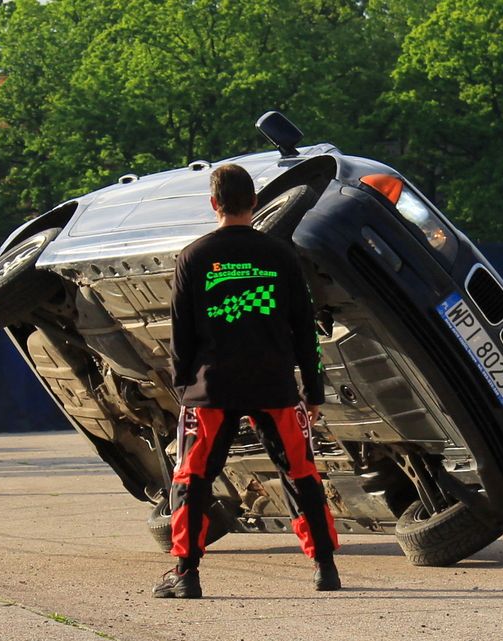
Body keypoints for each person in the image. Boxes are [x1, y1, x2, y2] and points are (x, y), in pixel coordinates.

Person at [158, 164, 340, 598]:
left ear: (213, 204)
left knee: (193, 478)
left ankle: (186, 576)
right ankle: (325, 569)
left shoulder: (194, 256)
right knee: (301, 474)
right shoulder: (281, 255)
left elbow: (179, 335)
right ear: (254, 203)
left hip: (212, 390)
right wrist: (312, 390)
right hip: (274, 387)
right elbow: (305, 331)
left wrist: (185, 389)